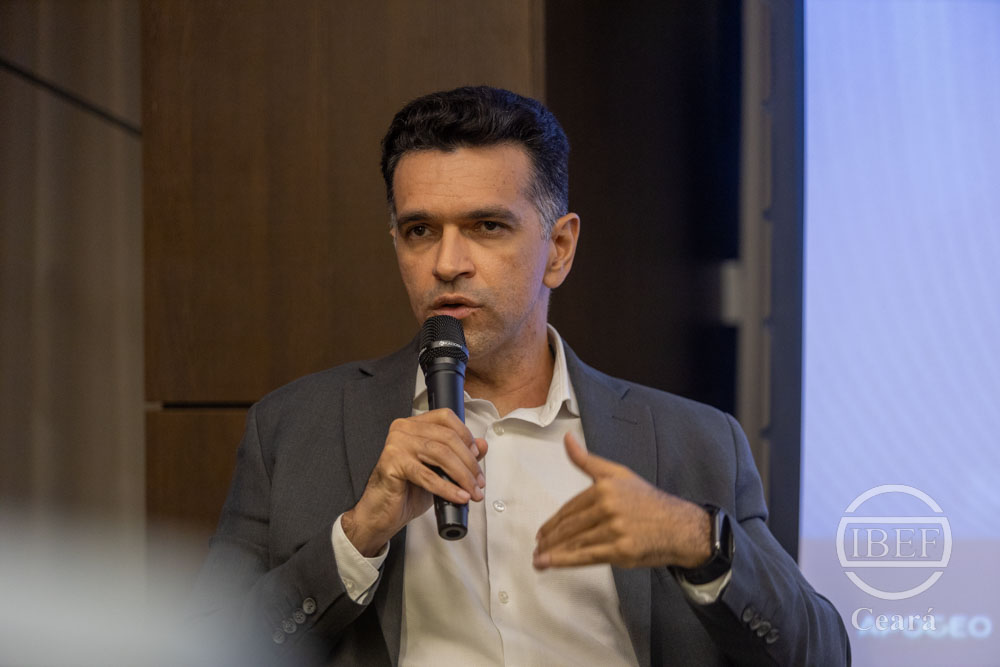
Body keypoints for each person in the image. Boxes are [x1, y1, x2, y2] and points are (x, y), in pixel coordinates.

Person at [190, 86, 850, 666]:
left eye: (487, 226)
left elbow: (821, 654)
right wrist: (357, 536)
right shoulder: (292, 429)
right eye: (420, 230)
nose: (447, 262)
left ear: (558, 249)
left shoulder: (695, 441)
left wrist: (697, 540)